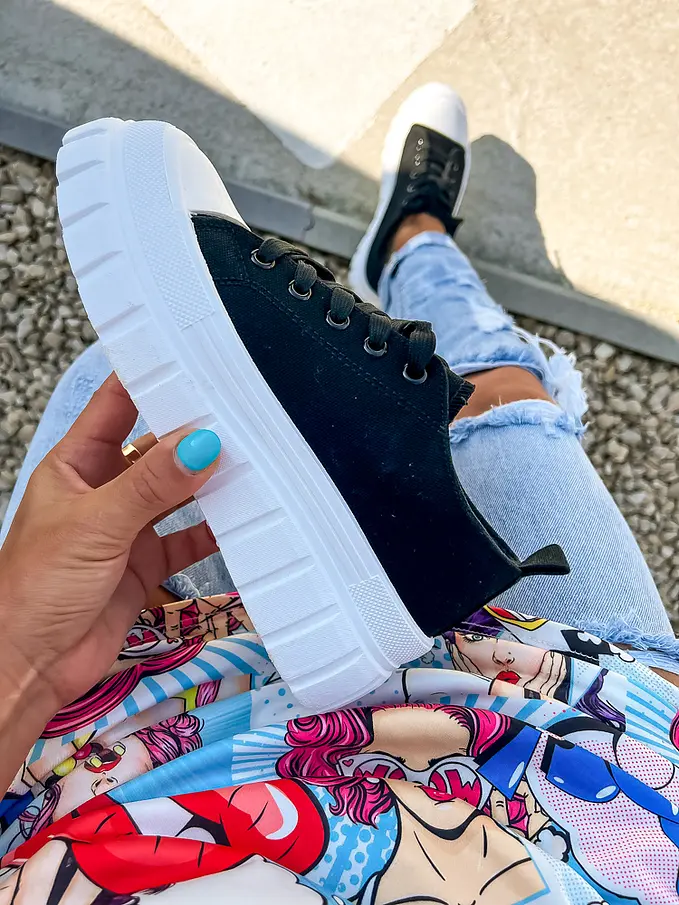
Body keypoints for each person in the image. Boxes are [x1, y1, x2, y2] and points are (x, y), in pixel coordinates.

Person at [0, 82, 678, 904]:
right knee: (505, 396)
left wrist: (21, 664)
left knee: (110, 385)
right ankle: (414, 240)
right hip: (596, 733)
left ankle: (412, 251)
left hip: (95, 741)